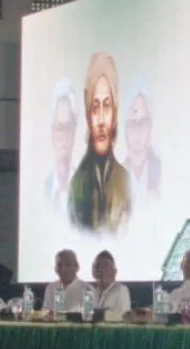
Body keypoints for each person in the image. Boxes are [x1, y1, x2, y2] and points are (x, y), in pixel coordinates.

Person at [68, 52, 132, 232]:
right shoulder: (77, 185)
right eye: (95, 107)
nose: (102, 120)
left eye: (107, 106)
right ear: (88, 115)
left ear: (115, 113)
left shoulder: (125, 183)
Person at [122, 87, 161, 206]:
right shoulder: (116, 178)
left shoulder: (162, 172)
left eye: (143, 124)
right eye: (132, 125)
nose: (137, 136)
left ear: (150, 128)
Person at [45, 80, 77, 218]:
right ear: (52, 134)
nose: (63, 136)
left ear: (74, 134)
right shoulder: (44, 188)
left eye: (68, 128)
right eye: (59, 128)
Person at [43, 249, 88, 316]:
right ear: (55, 269)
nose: (63, 269)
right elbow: (45, 312)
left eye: (68, 265)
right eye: (60, 265)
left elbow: (89, 316)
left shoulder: (87, 289)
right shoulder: (51, 288)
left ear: (77, 267)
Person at [90, 250, 131, 321]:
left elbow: (125, 317)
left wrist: (103, 315)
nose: (100, 270)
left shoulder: (121, 290)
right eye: (97, 266)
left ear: (114, 271)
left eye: (105, 266)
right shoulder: (92, 292)